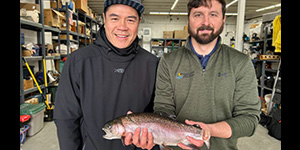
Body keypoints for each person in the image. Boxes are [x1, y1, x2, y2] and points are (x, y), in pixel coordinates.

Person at [152, 0, 261, 149]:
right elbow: (163, 110)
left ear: (223, 19)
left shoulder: (240, 62)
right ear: (188, 18)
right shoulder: (169, 61)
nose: (206, 22)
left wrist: (209, 131)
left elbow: (250, 119)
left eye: (213, 14)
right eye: (198, 15)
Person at [53, 0, 159, 149]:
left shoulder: (153, 64)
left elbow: (160, 116)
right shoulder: (79, 61)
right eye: (114, 18)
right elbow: (66, 119)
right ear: (104, 18)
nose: (122, 27)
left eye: (130, 20)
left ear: (139, 21)